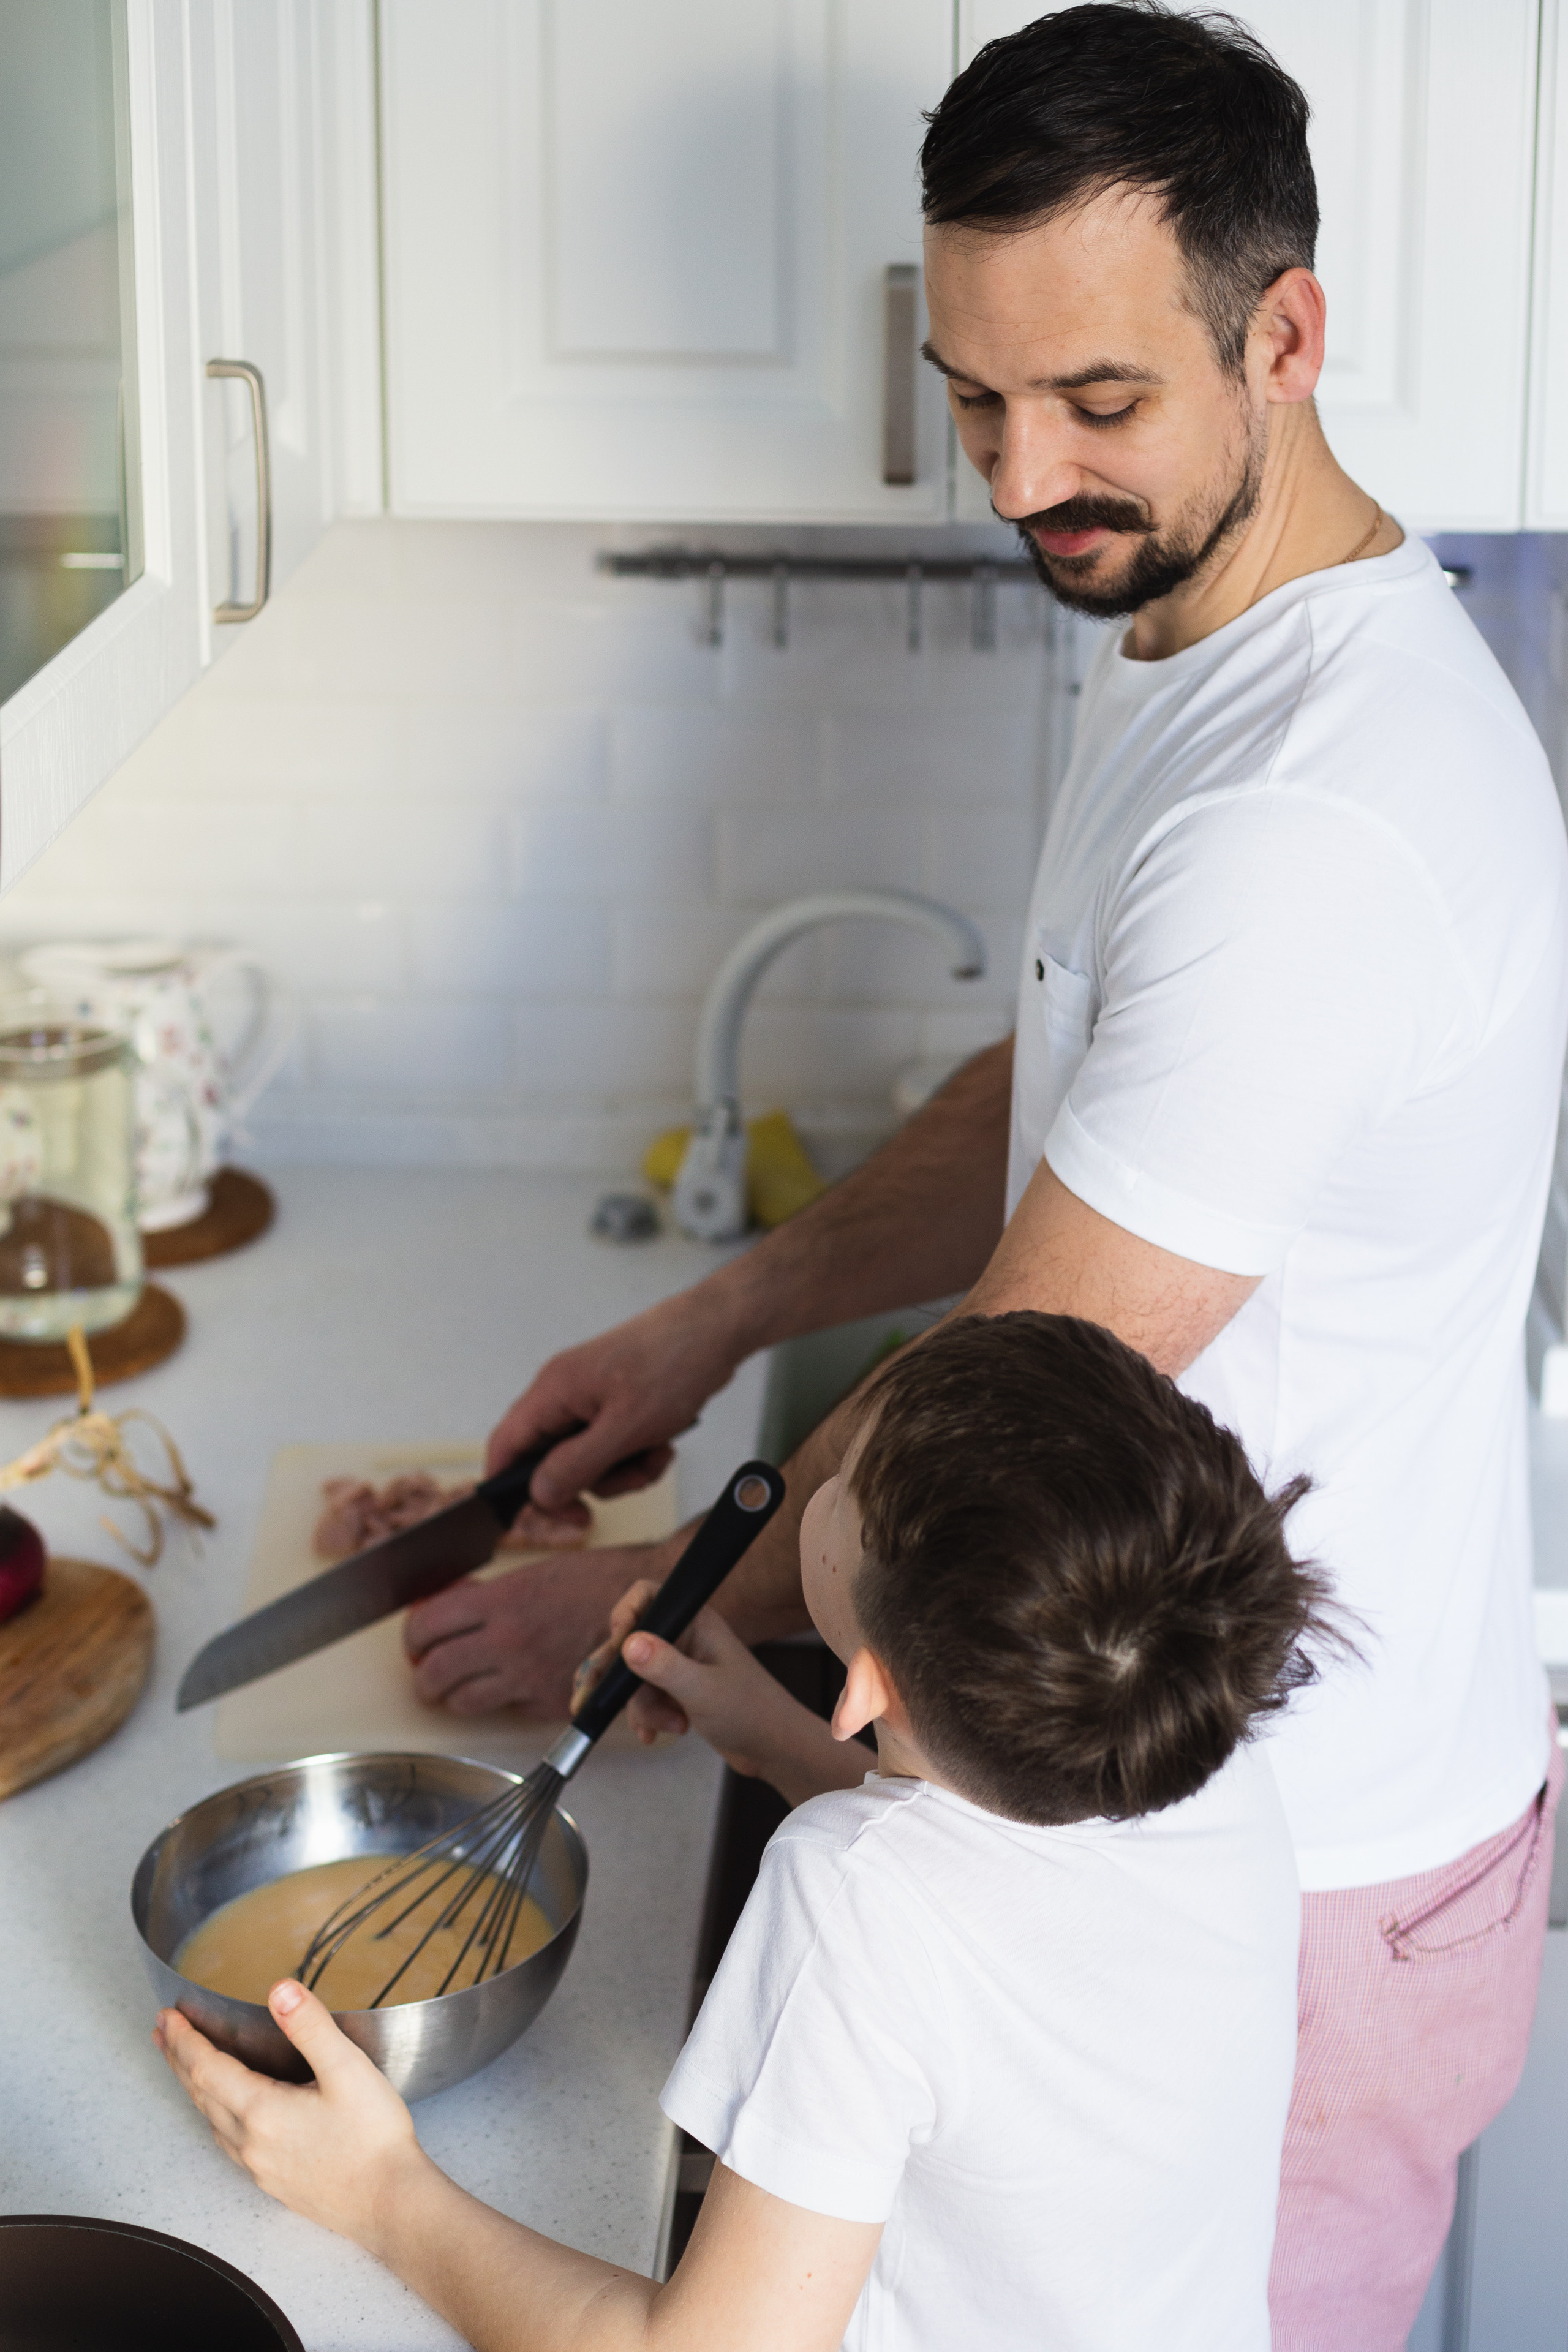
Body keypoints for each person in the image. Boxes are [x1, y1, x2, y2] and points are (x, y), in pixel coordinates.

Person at [402, 8, 1568, 2343]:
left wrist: (655, 1601)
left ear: (1287, 337)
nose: (1023, 471)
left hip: (1281, 1859)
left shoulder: (1308, 817)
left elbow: (1024, 1366)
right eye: (974, 397)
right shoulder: (1200, 640)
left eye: (1099, 403)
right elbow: (1062, 1089)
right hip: (1164, 1806)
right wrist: (708, 1323)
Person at [159, 1312, 1324, 2352]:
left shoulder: (852, 1897)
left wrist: (381, 2194)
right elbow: (1003, 1902)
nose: (818, 1480)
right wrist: (773, 1739)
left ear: (862, 1685)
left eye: (843, 1483)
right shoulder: (1195, 1739)